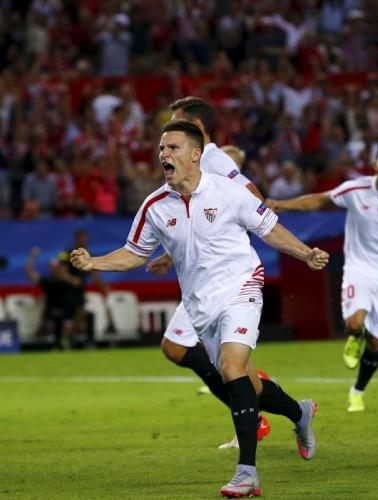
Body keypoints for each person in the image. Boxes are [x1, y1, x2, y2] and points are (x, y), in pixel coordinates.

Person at [70, 120, 329, 497]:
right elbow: (134, 254)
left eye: (172, 147)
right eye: (161, 148)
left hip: (242, 285)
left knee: (232, 368)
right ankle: (299, 412)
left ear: (195, 154)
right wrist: (94, 262)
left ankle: (247, 474)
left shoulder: (228, 191)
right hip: (200, 306)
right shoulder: (154, 206)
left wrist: (306, 254)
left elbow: (269, 228)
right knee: (248, 382)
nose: (164, 154)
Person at [145, 97, 287, 449]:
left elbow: (252, 197)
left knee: (182, 349)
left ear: (196, 126)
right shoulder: (191, 163)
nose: (169, 133)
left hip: (223, 275)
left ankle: (254, 415)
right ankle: (258, 407)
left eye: (176, 123)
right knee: (184, 350)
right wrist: (172, 254)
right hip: (201, 276)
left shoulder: (212, 157)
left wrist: (232, 242)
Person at [267, 141, 378, 412]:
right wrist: (281, 204)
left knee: (375, 342)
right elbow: (320, 199)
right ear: (374, 164)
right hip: (359, 268)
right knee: (354, 323)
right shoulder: (356, 189)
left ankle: (358, 390)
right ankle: (354, 336)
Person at [25, 247, 81, 349]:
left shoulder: (69, 280)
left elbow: (77, 282)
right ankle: (57, 343)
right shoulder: (47, 281)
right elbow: (30, 272)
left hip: (68, 312)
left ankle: (66, 341)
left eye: (58, 267)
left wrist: (65, 276)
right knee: (55, 322)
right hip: (51, 313)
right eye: (53, 267)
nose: (56, 269)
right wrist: (32, 257)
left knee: (74, 318)